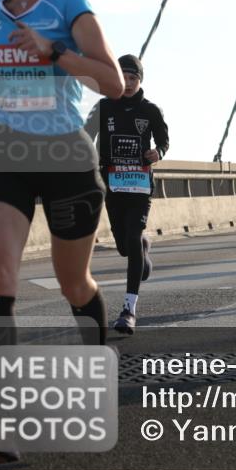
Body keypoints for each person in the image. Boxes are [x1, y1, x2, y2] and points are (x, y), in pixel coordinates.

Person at [0, 0, 125, 463]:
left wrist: (56, 52)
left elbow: (113, 83)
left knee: (74, 282)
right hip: (6, 152)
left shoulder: (71, 7)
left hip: (65, 156)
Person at [88, 54, 168, 336]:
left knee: (132, 235)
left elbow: (164, 140)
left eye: (133, 78)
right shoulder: (103, 107)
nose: (129, 83)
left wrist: (157, 152)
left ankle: (128, 309)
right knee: (125, 246)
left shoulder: (150, 110)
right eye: (123, 78)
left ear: (140, 80)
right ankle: (142, 249)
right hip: (112, 184)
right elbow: (86, 135)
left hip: (139, 184)